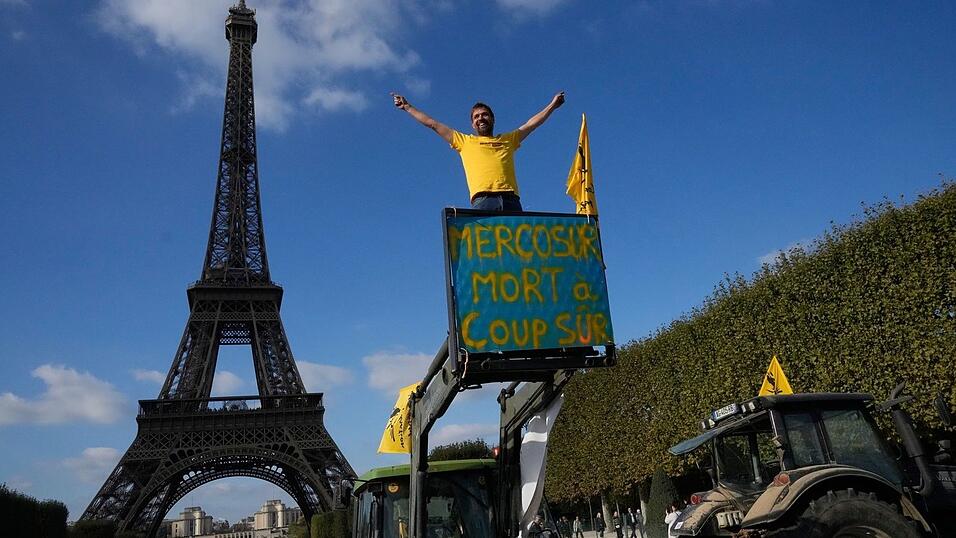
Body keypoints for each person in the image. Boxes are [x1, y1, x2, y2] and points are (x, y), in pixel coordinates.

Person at [391, 91, 566, 211]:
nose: (480, 118)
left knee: (515, 251)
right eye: (476, 117)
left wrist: (552, 105)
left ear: (492, 119)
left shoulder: (508, 140)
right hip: (483, 201)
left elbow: (531, 124)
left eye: (484, 114)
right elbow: (432, 124)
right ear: (472, 124)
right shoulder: (465, 141)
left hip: (511, 200)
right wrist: (407, 107)